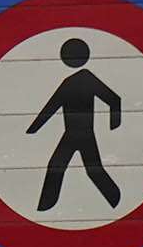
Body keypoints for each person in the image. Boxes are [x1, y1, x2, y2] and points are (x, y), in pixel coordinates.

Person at [28, 36, 124, 213]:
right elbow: (52, 106)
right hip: (72, 134)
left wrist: (114, 125)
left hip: (84, 134)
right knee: (66, 166)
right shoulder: (70, 82)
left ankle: (115, 198)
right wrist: (33, 129)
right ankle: (45, 206)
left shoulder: (86, 79)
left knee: (85, 169)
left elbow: (114, 99)